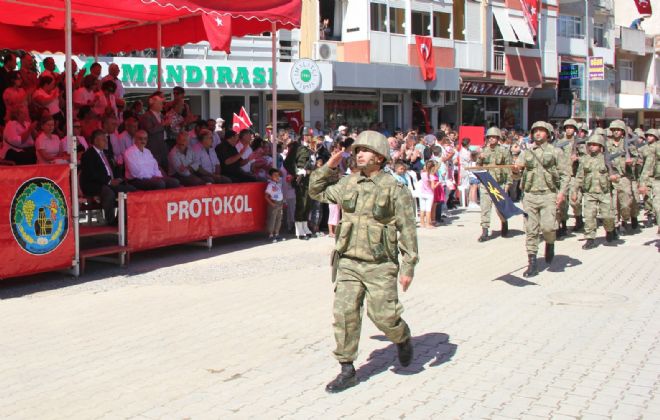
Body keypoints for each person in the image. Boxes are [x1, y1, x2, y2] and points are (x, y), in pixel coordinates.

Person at [309, 130, 418, 393]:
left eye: (365, 150)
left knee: (383, 315)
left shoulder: (394, 188)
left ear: (380, 157)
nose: (359, 154)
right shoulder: (348, 183)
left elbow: (407, 228)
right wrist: (327, 167)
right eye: (357, 151)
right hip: (348, 262)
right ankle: (347, 369)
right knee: (344, 315)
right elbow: (315, 191)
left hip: (380, 264)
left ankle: (401, 337)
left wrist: (409, 266)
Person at [513, 121, 570, 278]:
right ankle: (532, 263)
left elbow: (565, 174)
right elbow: (517, 175)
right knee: (531, 230)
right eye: (535, 131)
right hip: (530, 195)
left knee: (548, 228)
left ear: (548, 134)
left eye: (541, 131)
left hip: (548, 194)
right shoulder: (526, 153)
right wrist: (516, 170)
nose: (538, 133)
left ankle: (550, 243)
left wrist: (561, 193)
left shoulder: (556, 152)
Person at [80, 130, 136, 225]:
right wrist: (109, 181)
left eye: (106, 139)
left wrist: (119, 178)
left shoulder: (107, 153)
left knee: (131, 190)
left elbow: (116, 167)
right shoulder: (88, 155)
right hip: (95, 184)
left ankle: (122, 219)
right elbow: (93, 174)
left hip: (111, 183)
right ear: (96, 141)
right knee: (108, 193)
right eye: (103, 139)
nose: (106, 141)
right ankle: (110, 220)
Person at [572, 135, 619, 249]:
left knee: (608, 216)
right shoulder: (584, 160)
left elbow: (617, 174)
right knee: (589, 216)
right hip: (589, 193)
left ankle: (610, 230)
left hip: (605, 193)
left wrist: (614, 177)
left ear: (601, 146)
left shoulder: (607, 159)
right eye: (590, 145)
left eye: (595, 145)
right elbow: (579, 177)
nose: (592, 147)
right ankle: (590, 238)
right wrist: (575, 191)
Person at [476, 127, 512, 241]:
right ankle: (485, 231)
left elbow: (508, 168)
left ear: (498, 138)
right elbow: (477, 167)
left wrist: (508, 184)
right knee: (485, 208)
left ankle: (504, 223)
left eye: (494, 137)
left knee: (500, 208)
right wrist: (479, 159)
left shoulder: (504, 151)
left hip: (499, 183)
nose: (491, 139)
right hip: (486, 183)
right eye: (489, 137)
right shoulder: (483, 151)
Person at [607, 119, 640, 233]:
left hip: (625, 177)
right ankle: (615, 226)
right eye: (614, 130)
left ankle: (625, 219)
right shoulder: (607, 144)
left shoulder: (628, 145)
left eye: (618, 130)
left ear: (622, 132)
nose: (616, 132)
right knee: (613, 203)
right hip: (612, 177)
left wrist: (632, 161)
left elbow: (637, 157)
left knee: (625, 203)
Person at [556, 119, 585, 236]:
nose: (568, 129)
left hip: (574, 175)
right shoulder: (559, 142)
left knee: (575, 201)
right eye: (567, 127)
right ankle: (562, 224)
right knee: (562, 202)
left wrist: (578, 158)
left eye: (571, 127)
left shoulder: (579, 142)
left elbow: (587, 159)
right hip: (563, 175)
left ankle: (579, 219)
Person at [284, 133, 314, 239]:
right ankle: (298, 229)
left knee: (308, 204)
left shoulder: (308, 149)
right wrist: (296, 171)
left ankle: (304, 226)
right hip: (301, 180)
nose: (310, 137)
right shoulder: (297, 148)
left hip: (309, 179)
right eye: (307, 136)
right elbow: (287, 163)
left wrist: (307, 170)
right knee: (301, 203)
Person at [139, 92, 170, 171]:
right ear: (154, 104)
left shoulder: (161, 115)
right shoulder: (146, 116)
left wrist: (167, 124)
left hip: (162, 147)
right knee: (155, 170)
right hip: (153, 148)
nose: (162, 105)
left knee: (165, 169)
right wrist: (163, 125)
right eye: (161, 103)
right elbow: (150, 130)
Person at [639, 129, 660, 234]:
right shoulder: (648, 148)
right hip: (652, 178)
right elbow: (646, 165)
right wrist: (642, 181)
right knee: (652, 201)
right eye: (648, 135)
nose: (649, 137)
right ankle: (650, 215)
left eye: (651, 135)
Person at [265, 168, 285, 243]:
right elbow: (266, 196)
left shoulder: (278, 184)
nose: (277, 176)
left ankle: (277, 233)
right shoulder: (270, 185)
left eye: (278, 175)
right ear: (270, 176)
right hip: (274, 203)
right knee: (272, 219)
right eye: (275, 175)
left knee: (279, 218)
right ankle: (271, 235)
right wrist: (272, 204)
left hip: (280, 203)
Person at [419, 160, 438, 228]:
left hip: (422, 193)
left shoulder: (422, 174)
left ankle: (422, 223)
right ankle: (428, 224)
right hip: (429, 194)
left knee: (422, 209)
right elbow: (433, 187)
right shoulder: (431, 176)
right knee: (428, 209)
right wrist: (437, 184)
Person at [0, 52, 17, 122]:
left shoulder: (15, 74)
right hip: (2, 106)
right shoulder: (0, 72)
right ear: (8, 62)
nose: (16, 64)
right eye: (14, 61)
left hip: (13, 107)